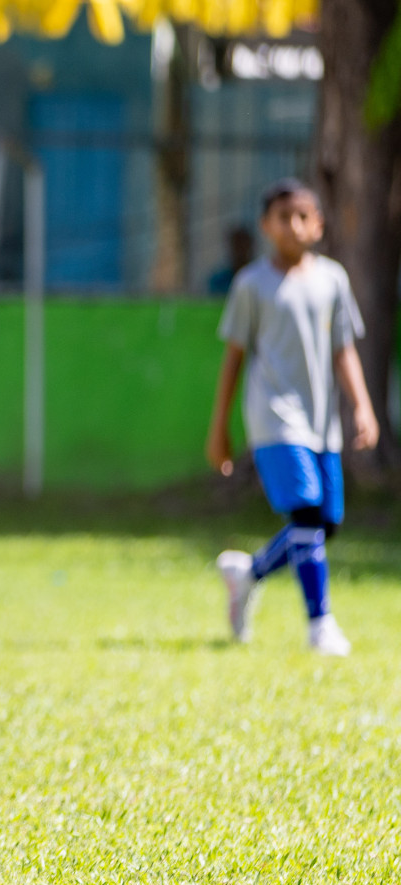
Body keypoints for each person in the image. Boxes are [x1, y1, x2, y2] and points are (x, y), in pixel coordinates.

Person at [207, 178, 378, 656]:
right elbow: (234, 358)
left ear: (319, 225)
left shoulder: (333, 280)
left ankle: (250, 572)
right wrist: (219, 425)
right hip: (275, 417)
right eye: (283, 217)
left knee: (325, 523)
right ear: (266, 226)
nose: (294, 225)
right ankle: (320, 623)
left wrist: (362, 405)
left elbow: (344, 348)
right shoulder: (252, 284)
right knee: (305, 510)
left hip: (323, 420)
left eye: (304, 216)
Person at [207, 224, 255, 296]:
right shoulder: (219, 280)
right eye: (237, 245)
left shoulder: (258, 277)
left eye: (243, 245)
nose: (240, 250)